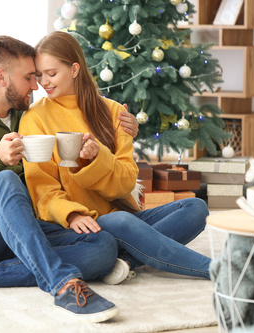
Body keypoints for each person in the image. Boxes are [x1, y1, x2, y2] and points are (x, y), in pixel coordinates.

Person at [0, 35, 139, 323]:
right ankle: (63, 285)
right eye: (29, 78)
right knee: (5, 182)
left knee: (101, 246)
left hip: (15, 230)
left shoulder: (22, 118)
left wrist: (126, 129)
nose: (37, 86)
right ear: (1, 77)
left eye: (39, 77)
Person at [19, 31, 211, 285]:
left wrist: (99, 158)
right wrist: (73, 215)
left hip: (118, 216)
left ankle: (126, 261)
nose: (44, 82)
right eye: (39, 75)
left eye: (51, 74)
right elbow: (42, 188)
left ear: (75, 69)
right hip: (78, 225)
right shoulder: (34, 118)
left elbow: (127, 182)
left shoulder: (113, 112)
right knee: (120, 221)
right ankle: (216, 270)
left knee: (196, 207)